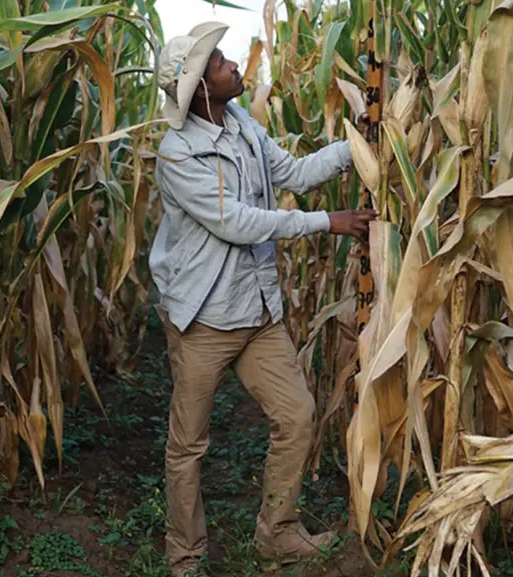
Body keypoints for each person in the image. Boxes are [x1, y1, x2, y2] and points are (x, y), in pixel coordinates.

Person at [150, 21, 376, 577]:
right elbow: (237, 222)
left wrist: (358, 145)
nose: (232, 65)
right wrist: (330, 222)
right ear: (200, 88)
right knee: (189, 444)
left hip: (257, 314)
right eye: (220, 62)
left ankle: (276, 535)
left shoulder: (244, 125)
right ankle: (185, 555)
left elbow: (294, 172)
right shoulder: (178, 155)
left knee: (297, 418)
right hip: (203, 319)